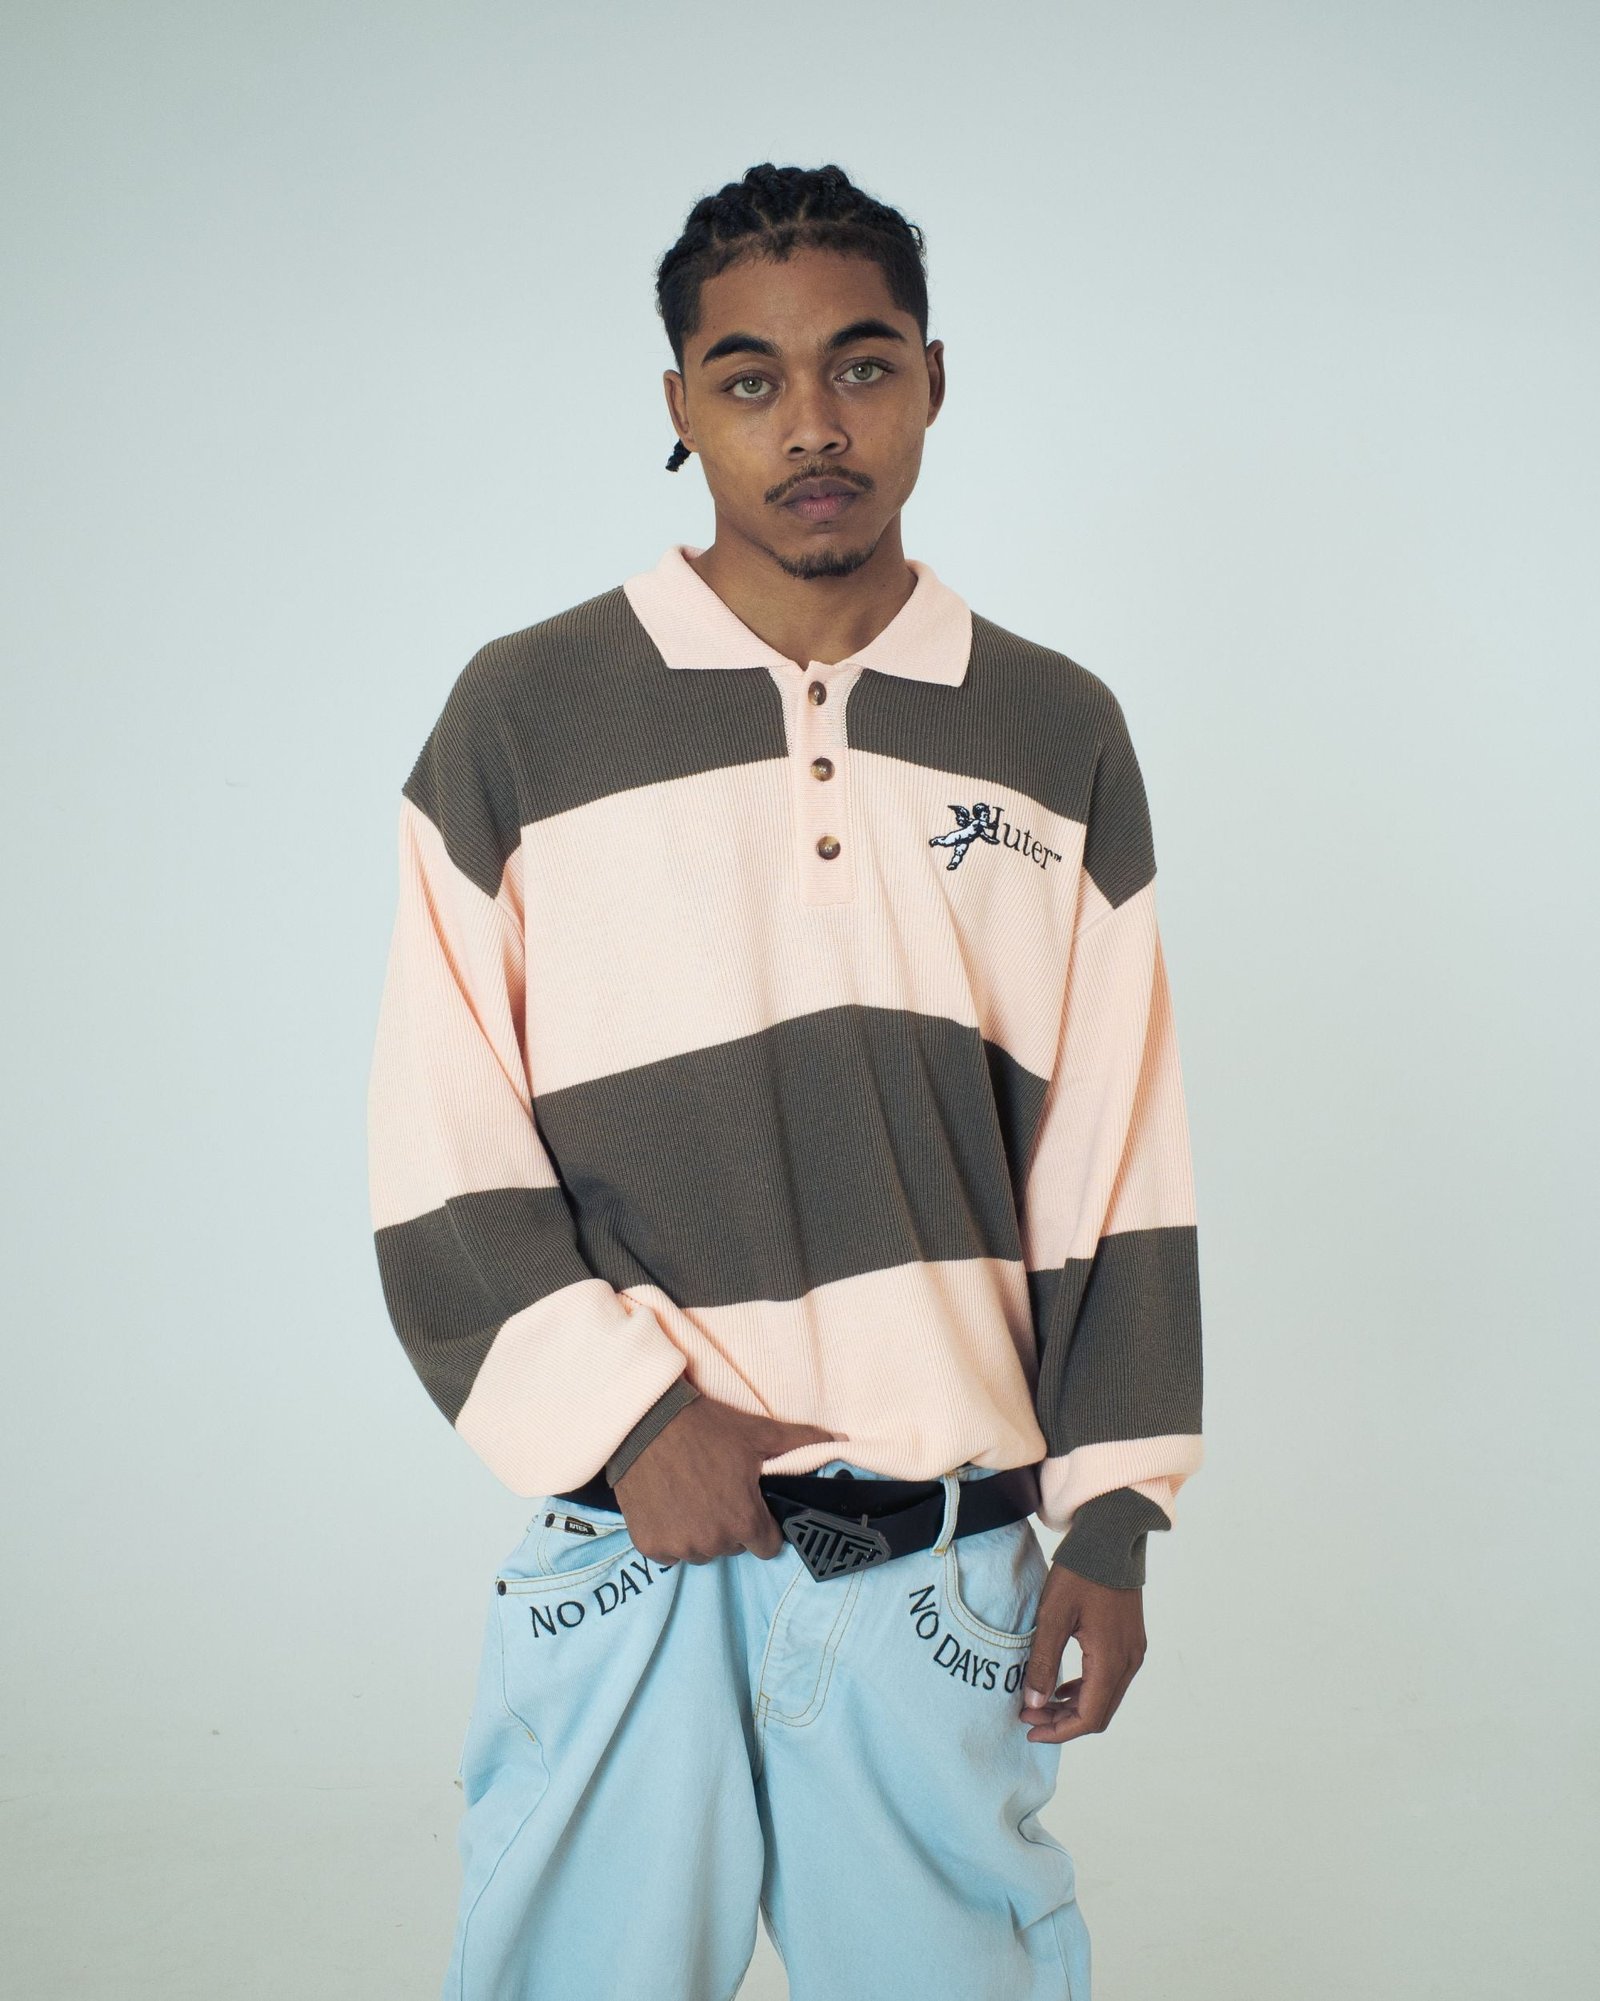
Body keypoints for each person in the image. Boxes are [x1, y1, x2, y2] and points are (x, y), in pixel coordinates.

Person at [367, 160, 1204, 2001]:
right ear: (679, 403)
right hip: (629, 1549)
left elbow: (1114, 1152)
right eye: (749, 377)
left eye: (862, 364)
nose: (812, 422)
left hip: (942, 1560)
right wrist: (627, 1419)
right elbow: (441, 1134)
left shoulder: (1055, 728)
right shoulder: (524, 712)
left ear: (932, 379)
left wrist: (1118, 1505)